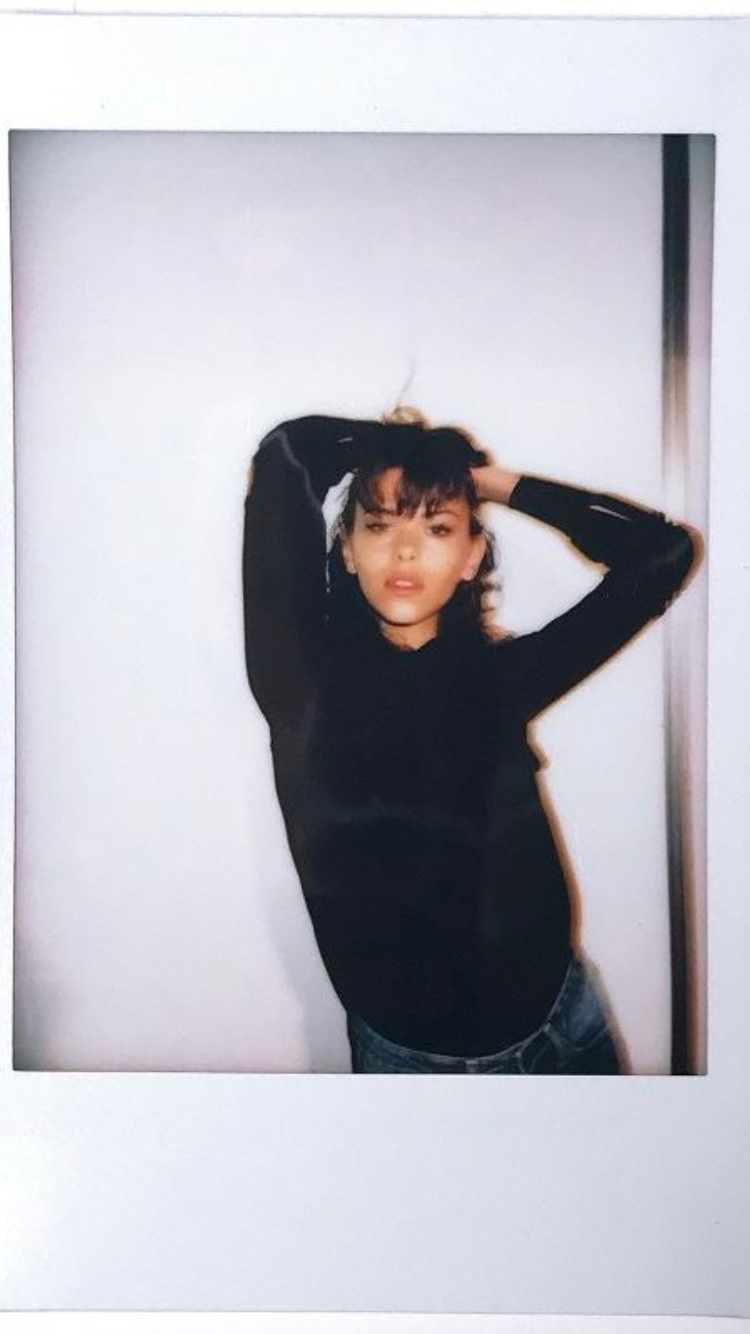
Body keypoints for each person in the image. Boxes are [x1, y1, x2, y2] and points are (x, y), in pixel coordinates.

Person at [242, 409, 697, 1074]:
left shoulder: (500, 679)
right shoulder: (299, 682)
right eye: (380, 524)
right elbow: (288, 451)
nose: (405, 550)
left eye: (437, 528)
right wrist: (406, 451)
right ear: (348, 549)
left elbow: (663, 552)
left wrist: (489, 482)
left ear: (471, 556)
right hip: (411, 1063)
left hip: (568, 1027)